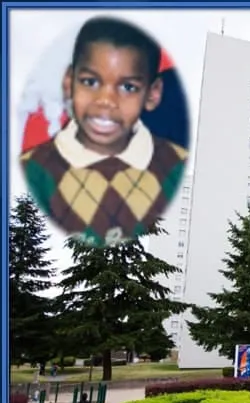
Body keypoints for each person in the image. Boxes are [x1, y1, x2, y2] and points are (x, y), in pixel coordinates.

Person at [20, 16, 188, 248]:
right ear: (69, 82)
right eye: (90, 82)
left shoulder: (173, 166)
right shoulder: (36, 167)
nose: (106, 101)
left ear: (153, 93)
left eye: (128, 87)